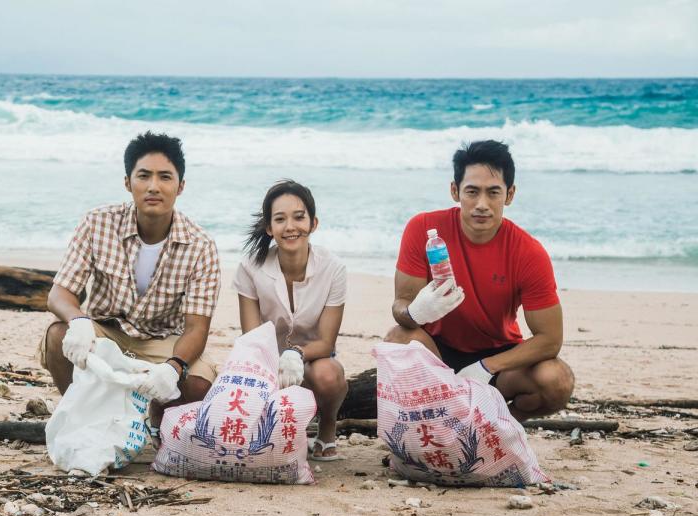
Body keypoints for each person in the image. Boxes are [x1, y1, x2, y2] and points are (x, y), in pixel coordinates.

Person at [38, 131, 220, 436]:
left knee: (200, 386)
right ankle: (80, 415)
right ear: (127, 182)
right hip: (106, 330)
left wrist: (173, 366)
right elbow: (60, 293)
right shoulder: (97, 222)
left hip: (163, 341)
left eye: (165, 177)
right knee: (59, 336)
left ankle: (156, 413)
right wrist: (79, 320)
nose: (153, 186)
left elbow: (196, 328)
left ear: (181, 186)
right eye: (143, 176)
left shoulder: (200, 245)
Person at [385, 140, 574, 419]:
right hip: (436, 351)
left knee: (556, 380)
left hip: (499, 357)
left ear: (509, 194)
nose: (482, 205)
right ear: (454, 191)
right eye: (472, 192)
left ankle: (501, 427)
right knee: (398, 341)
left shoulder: (528, 252)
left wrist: (486, 367)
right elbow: (401, 309)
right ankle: (428, 427)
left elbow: (550, 340)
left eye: (493, 192)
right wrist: (415, 311)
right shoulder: (424, 229)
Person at [233, 180, 348, 460]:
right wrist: (276, 364)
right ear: (269, 228)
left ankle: (326, 428)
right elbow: (251, 339)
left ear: (313, 223)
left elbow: (326, 342)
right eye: (280, 219)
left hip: (312, 361)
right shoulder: (250, 268)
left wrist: (296, 354)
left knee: (329, 374)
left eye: (299, 217)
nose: (291, 226)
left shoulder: (333, 269)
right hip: (265, 364)